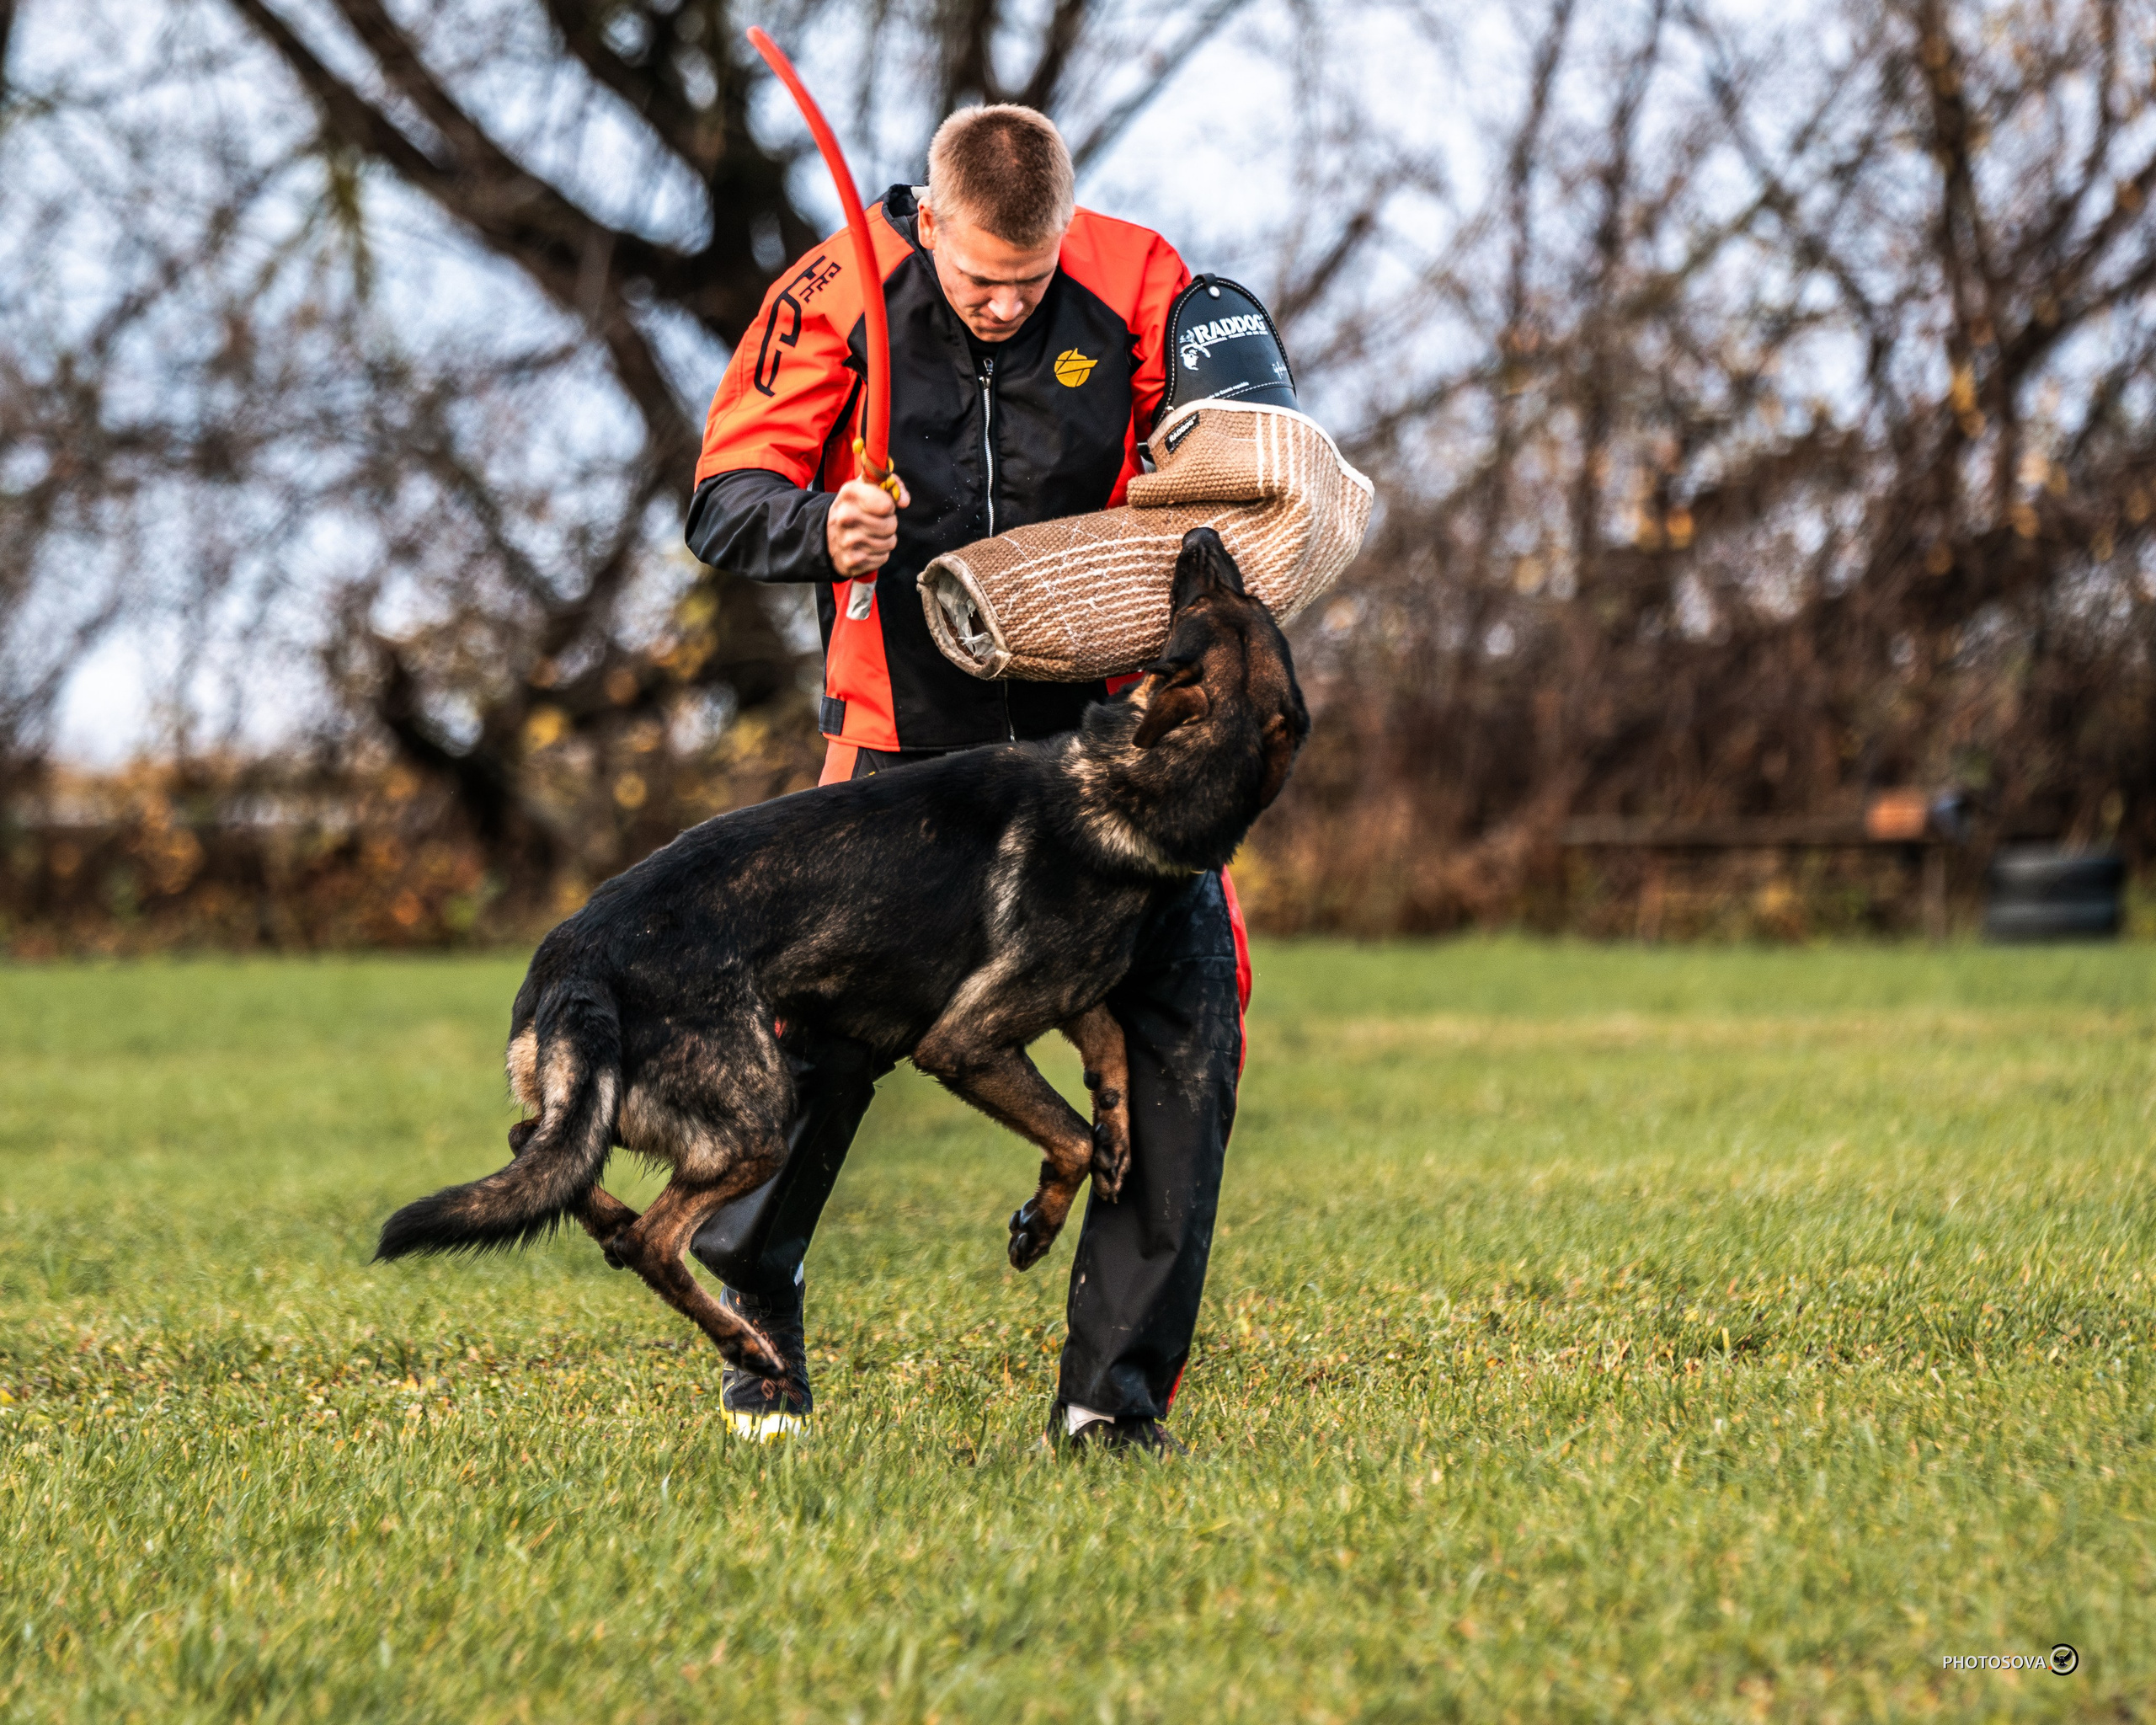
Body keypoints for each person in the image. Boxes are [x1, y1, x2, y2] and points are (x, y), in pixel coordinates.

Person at [683, 104, 1248, 1455]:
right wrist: (825, 525)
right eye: (977, 277)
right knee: (820, 1047)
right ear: (924, 220)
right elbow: (721, 497)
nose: (1002, 306)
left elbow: (1224, 470)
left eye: (1030, 279)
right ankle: (759, 1308)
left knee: (1187, 1025)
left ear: (1068, 233)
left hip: (1103, 756)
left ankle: (1107, 1404)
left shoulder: (1145, 283)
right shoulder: (833, 292)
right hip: (899, 755)